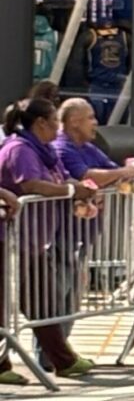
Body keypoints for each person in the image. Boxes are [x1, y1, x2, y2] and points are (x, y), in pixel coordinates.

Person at [0, 96, 98, 381]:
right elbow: (31, 184)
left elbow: (61, 179)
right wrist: (71, 191)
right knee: (3, 302)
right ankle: (1, 364)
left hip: (33, 240)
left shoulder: (45, 150)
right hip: (11, 238)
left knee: (42, 300)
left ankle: (63, 360)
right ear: (41, 123)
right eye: (55, 120)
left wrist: (78, 190)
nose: (59, 125)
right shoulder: (19, 149)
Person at [55, 98, 134, 191]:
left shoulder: (88, 147)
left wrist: (132, 170)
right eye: (91, 118)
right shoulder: (61, 148)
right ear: (74, 122)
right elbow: (89, 178)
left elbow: (113, 169)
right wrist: (126, 171)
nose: (96, 122)